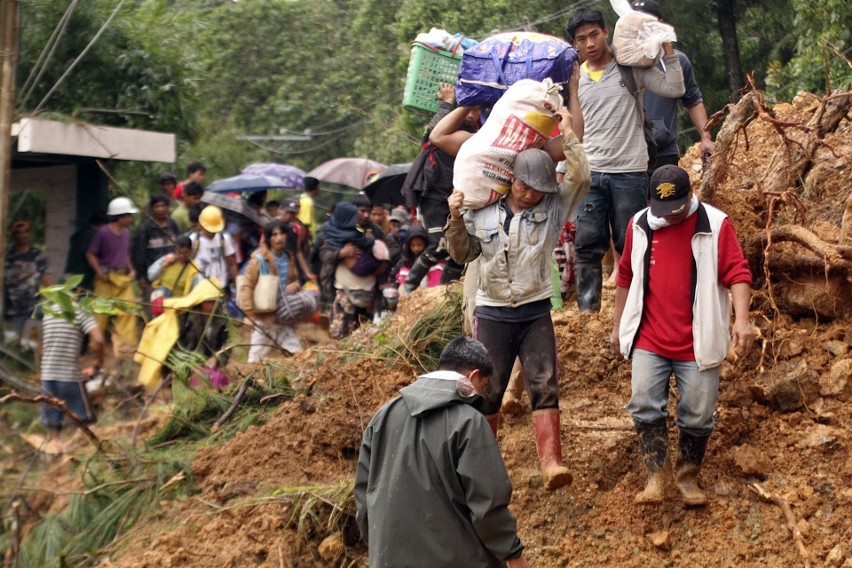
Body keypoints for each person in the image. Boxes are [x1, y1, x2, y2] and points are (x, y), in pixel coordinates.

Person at [445, 109, 591, 491]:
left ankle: (552, 462)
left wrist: (569, 134)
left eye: (538, 189)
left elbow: (582, 177)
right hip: (492, 313)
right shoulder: (482, 211)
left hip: (534, 311)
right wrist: (456, 217)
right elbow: (462, 254)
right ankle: (484, 467)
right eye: (526, 187)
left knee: (545, 382)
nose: (531, 195)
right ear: (511, 179)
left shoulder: (553, 209)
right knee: (488, 390)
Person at [610, 165, 755, 506]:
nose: (670, 219)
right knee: (644, 404)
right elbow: (626, 276)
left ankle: (687, 476)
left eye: (677, 211)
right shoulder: (640, 224)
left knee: (698, 413)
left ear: (691, 195)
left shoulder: (716, 224)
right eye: (664, 212)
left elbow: (737, 272)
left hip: (698, 339)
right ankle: (656, 476)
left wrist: (743, 320)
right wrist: (617, 327)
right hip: (650, 336)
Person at [355, 336, 529, 568]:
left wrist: (378, 546)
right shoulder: (468, 422)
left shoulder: (382, 417)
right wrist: (514, 555)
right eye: (483, 386)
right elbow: (487, 506)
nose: (482, 393)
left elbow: (364, 498)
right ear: (472, 376)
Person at [565, 7, 685, 312]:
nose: (589, 43)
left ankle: (637, 308)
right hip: (591, 174)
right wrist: (574, 92)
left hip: (630, 172)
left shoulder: (631, 67)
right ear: (575, 44)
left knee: (630, 243)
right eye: (582, 39)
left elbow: (675, 88)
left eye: (594, 34)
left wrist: (666, 45)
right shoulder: (574, 78)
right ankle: (587, 313)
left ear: (606, 33)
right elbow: (577, 131)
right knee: (588, 245)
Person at [400, 82, 479, 293]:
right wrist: (445, 104)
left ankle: (446, 293)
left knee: (460, 247)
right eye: (468, 108)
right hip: (434, 195)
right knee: (439, 245)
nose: (472, 114)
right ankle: (408, 287)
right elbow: (433, 134)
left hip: (458, 197)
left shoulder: (479, 133)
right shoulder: (445, 126)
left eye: (477, 108)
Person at [630, 0, 716, 168]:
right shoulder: (620, 64)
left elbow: (693, 101)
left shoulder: (678, 62)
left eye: (647, 23)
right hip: (626, 156)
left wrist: (705, 137)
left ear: (660, 24)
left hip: (664, 153)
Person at [40, 299, 105, 450]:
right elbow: (99, 340)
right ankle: (86, 454)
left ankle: (57, 454)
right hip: (68, 375)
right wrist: (99, 364)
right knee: (85, 422)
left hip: (47, 374)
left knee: (53, 427)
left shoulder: (49, 313)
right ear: (76, 293)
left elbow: (39, 343)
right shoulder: (80, 310)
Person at [238, 220, 303, 362]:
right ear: (268, 238)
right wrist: (248, 314)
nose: (279, 238)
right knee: (255, 360)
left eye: (282, 234)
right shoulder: (259, 260)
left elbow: (295, 279)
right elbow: (247, 286)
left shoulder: (289, 257)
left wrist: (296, 286)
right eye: (274, 235)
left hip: (283, 316)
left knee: (297, 354)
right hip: (264, 318)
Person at [85, 196, 139, 358]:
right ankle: (95, 347)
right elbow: (91, 254)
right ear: (120, 216)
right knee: (100, 313)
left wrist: (131, 269)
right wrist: (100, 272)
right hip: (107, 278)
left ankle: (126, 347)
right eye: (128, 215)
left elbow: (125, 254)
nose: (130, 218)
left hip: (122, 278)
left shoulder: (127, 233)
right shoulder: (104, 232)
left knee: (128, 311)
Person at [4, 220, 53, 337]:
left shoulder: (37, 255)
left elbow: (47, 278)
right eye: (19, 232)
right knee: (13, 345)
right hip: (13, 310)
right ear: (14, 235)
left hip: (33, 308)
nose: (23, 235)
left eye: (26, 232)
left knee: (31, 344)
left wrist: (54, 297)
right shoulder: (6, 256)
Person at [133, 194, 182, 308]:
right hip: (152, 278)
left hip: (172, 277)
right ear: (152, 209)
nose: (160, 209)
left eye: (163, 206)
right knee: (154, 309)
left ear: (167, 207)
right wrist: (140, 277)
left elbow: (180, 246)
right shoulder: (145, 228)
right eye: (157, 206)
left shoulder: (173, 225)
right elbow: (139, 254)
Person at [191, 205, 238, 292]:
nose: (212, 232)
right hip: (201, 287)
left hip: (222, 286)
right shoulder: (194, 240)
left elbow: (232, 265)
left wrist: (237, 286)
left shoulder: (224, 239)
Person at [146, 235, 199, 313]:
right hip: (160, 306)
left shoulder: (193, 269)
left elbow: (194, 292)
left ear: (190, 251)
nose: (181, 256)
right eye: (178, 252)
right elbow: (151, 276)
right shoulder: (167, 259)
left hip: (178, 309)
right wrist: (163, 265)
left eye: (185, 253)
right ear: (175, 249)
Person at [64, 210, 108, 291]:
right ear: (102, 225)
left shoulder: (82, 233)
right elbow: (91, 256)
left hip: (73, 275)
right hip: (82, 277)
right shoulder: (91, 236)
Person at [391, 224, 441, 292]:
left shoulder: (434, 261)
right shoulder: (404, 263)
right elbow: (393, 279)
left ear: (426, 244)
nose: (416, 248)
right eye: (413, 245)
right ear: (408, 246)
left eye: (419, 245)